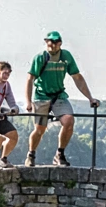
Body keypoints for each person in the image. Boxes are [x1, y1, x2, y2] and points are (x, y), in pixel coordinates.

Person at [24, 31, 99, 167]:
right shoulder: (40, 58)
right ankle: (31, 154)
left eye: (54, 42)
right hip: (41, 96)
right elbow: (30, 79)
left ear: (60, 43)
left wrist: (90, 98)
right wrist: (28, 101)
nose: (50, 44)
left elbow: (77, 77)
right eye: (48, 41)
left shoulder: (66, 56)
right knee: (40, 129)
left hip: (59, 95)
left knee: (69, 120)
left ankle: (60, 154)